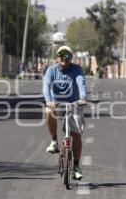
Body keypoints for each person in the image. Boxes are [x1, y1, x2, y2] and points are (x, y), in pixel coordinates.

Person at [43, 46, 87, 180]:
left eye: (67, 56)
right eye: (61, 55)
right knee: (48, 110)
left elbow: (81, 84)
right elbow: (46, 86)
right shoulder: (51, 70)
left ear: (71, 58)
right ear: (57, 57)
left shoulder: (77, 69)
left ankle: (77, 166)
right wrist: (49, 101)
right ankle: (54, 141)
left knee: (76, 133)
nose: (64, 58)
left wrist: (83, 98)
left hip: (74, 103)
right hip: (57, 103)